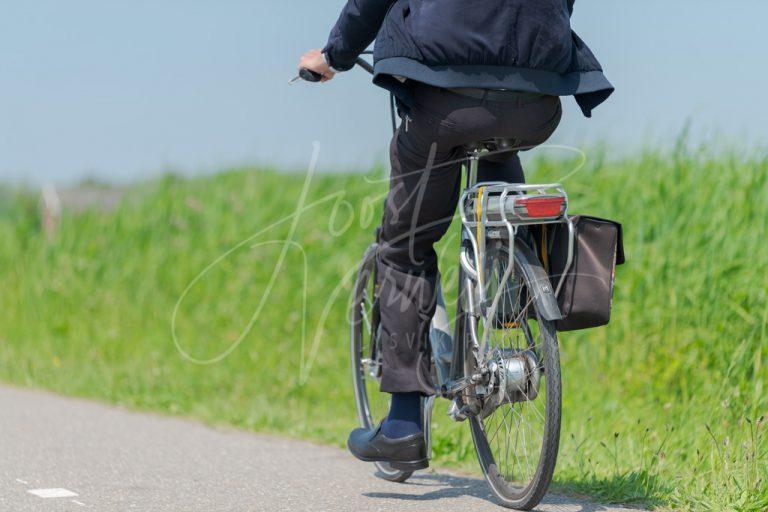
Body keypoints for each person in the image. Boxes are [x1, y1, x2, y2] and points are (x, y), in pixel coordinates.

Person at [298, 0, 612, 471]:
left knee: (406, 247)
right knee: (498, 179)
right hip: (537, 104)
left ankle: (404, 424)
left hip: (446, 101)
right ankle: (508, 293)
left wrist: (333, 55)